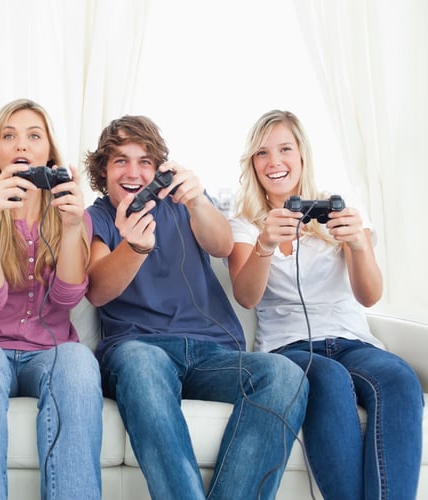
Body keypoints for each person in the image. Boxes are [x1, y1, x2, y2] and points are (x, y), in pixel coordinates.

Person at [84, 114, 308, 500]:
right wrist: (134, 248)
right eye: (120, 160)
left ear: (160, 169)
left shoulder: (181, 205)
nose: (133, 172)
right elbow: (98, 289)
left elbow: (222, 245)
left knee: (286, 375)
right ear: (103, 171)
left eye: (145, 162)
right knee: (140, 363)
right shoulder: (97, 217)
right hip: (140, 350)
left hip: (213, 352)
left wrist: (197, 200)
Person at [227, 109, 423, 499]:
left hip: (353, 342)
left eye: (285, 149)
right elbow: (246, 297)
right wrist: (265, 244)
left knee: (400, 378)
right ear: (252, 163)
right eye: (262, 153)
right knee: (329, 380)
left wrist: (358, 244)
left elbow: (369, 295)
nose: (275, 162)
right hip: (290, 350)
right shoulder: (246, 224)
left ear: (302, 156)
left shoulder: (341, 212)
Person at [0, 98, 102, 500]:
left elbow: (67, 297)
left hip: (49, 350)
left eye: (34, 136)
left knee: (79, 362)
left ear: (49, 153)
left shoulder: (73, 215)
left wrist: (69, 229)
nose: (21, 146)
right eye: (9, 136)